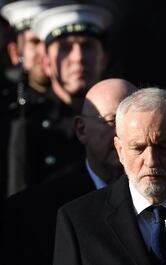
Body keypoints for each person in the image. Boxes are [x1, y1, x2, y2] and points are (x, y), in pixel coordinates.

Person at [52, 88, 166, 265]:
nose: (151, 161)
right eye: (138, 148)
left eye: (162, 147)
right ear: (120, 150)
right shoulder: (80, 221)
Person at [0, 78, 136, 265]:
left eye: (133, 124)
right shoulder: (35, 212)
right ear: (81, 129)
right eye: (112, 122)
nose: (123, 135)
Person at [6, 3, 112, 195]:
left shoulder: (126, 119)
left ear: (103, 59)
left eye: (87, 46)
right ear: (46, 62)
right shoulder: (28, 123)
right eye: (65, 48)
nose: (78, 58)